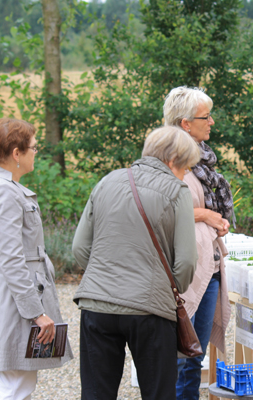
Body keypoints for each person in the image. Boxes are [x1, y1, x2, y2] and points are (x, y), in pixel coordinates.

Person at [72, 125, 200, 400]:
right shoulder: (177, 191)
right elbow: (187, 262)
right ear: (172, 159)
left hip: (97, 305)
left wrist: (105, 275)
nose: (186, 174)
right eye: (187, 167)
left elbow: (80, 248)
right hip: (150, 310)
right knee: (158, 394)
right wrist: (170, 287)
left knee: (96, 394)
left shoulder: (106, 181)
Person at [0, 118, 73, 400]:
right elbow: (11, 260)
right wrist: (36, 313)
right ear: (17, 153)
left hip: (12, 294)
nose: (36, 152)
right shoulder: (3, 192)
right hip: (15, 298)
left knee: (18, 383)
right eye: (33, 147)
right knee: (17, 386)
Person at [164, 86, 233, 400]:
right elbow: (162, 209)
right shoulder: (168, 161)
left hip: (211, 268)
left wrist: (215, 219)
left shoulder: (203, 163)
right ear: (185, 124)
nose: (212, 122)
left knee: (195, 356)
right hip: (184, 272)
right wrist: (206, 214)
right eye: (206, 116)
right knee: (178, 358)